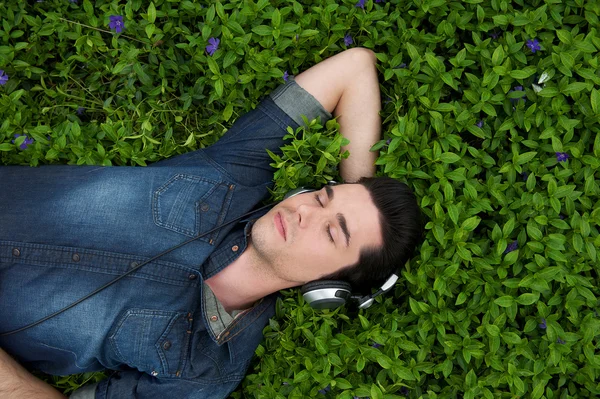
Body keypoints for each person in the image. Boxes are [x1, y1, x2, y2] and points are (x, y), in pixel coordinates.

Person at [0, 48, 422, 398]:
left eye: (332, 233)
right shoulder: (237, 176)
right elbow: (354, 67)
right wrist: (358, 189)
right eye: (320, 197)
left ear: (328, 289)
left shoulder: (204, 371)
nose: (303, 210)